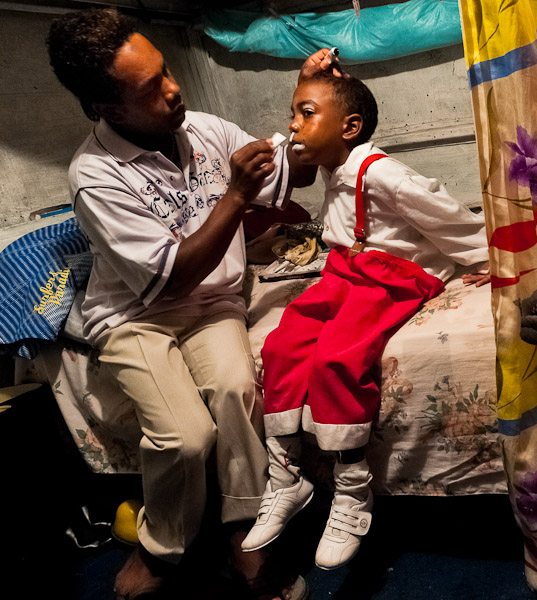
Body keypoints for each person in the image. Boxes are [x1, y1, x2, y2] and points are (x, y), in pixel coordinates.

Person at [46, 8, 334, 600]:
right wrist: (236, 194)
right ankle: (162, 547)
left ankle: (245, 536)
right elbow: (171, 281)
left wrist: (315, 100)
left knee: (237, 392)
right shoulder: (95, 174)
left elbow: (295, 176)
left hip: (215, 302)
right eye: (151, 87)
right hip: (135, 315)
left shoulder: (204, 129)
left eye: (168, 70)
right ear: (106, 107)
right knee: (185, 438)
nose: (174, 89)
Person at [241, 70, 490, 569]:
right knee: (281, 345)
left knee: (338, 354)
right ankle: (287, 474)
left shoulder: (382, 172)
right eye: (293, 114)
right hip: (342, 269)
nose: (293, 126)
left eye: (305, 114)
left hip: (389, 274)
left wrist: (486, 254)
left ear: (350, 127)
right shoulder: (333, 163)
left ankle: (352, 488)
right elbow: (294, 161)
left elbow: (441, 209)